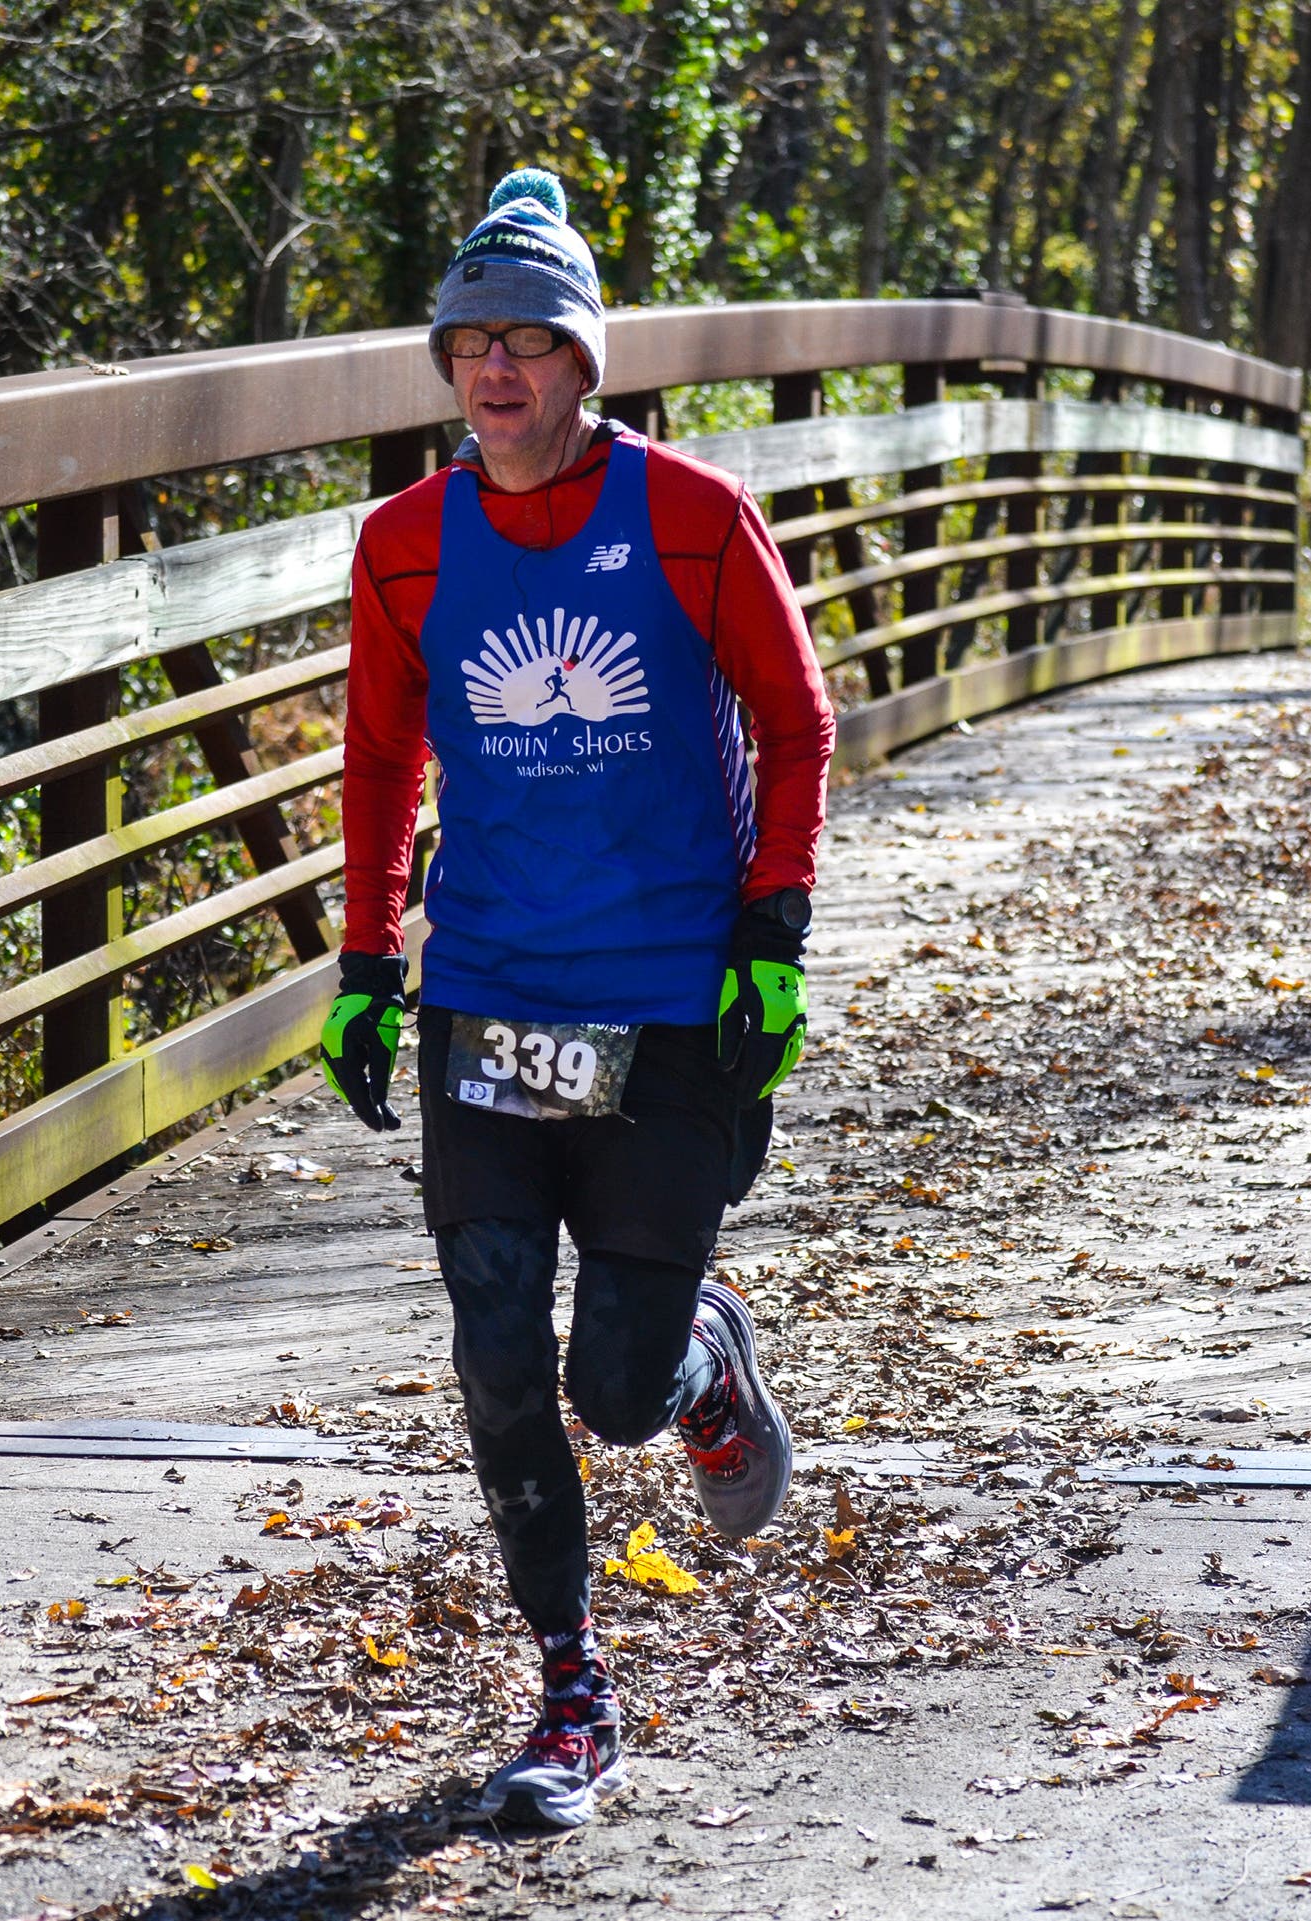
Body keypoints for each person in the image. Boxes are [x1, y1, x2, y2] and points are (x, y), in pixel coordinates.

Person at [320, 169, 834, 1828]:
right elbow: (382, 753)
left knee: (608, 1384)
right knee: (489, 1353)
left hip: (667, 1000)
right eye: (469, 340)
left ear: (583, 362)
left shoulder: (688, 516)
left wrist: (775, 930)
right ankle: (568, 1698)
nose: (494, 368)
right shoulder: (403, 546)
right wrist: (360, 962)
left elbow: (797, 715)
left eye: (528, 339)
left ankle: (695, 1361)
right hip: (486, 992)